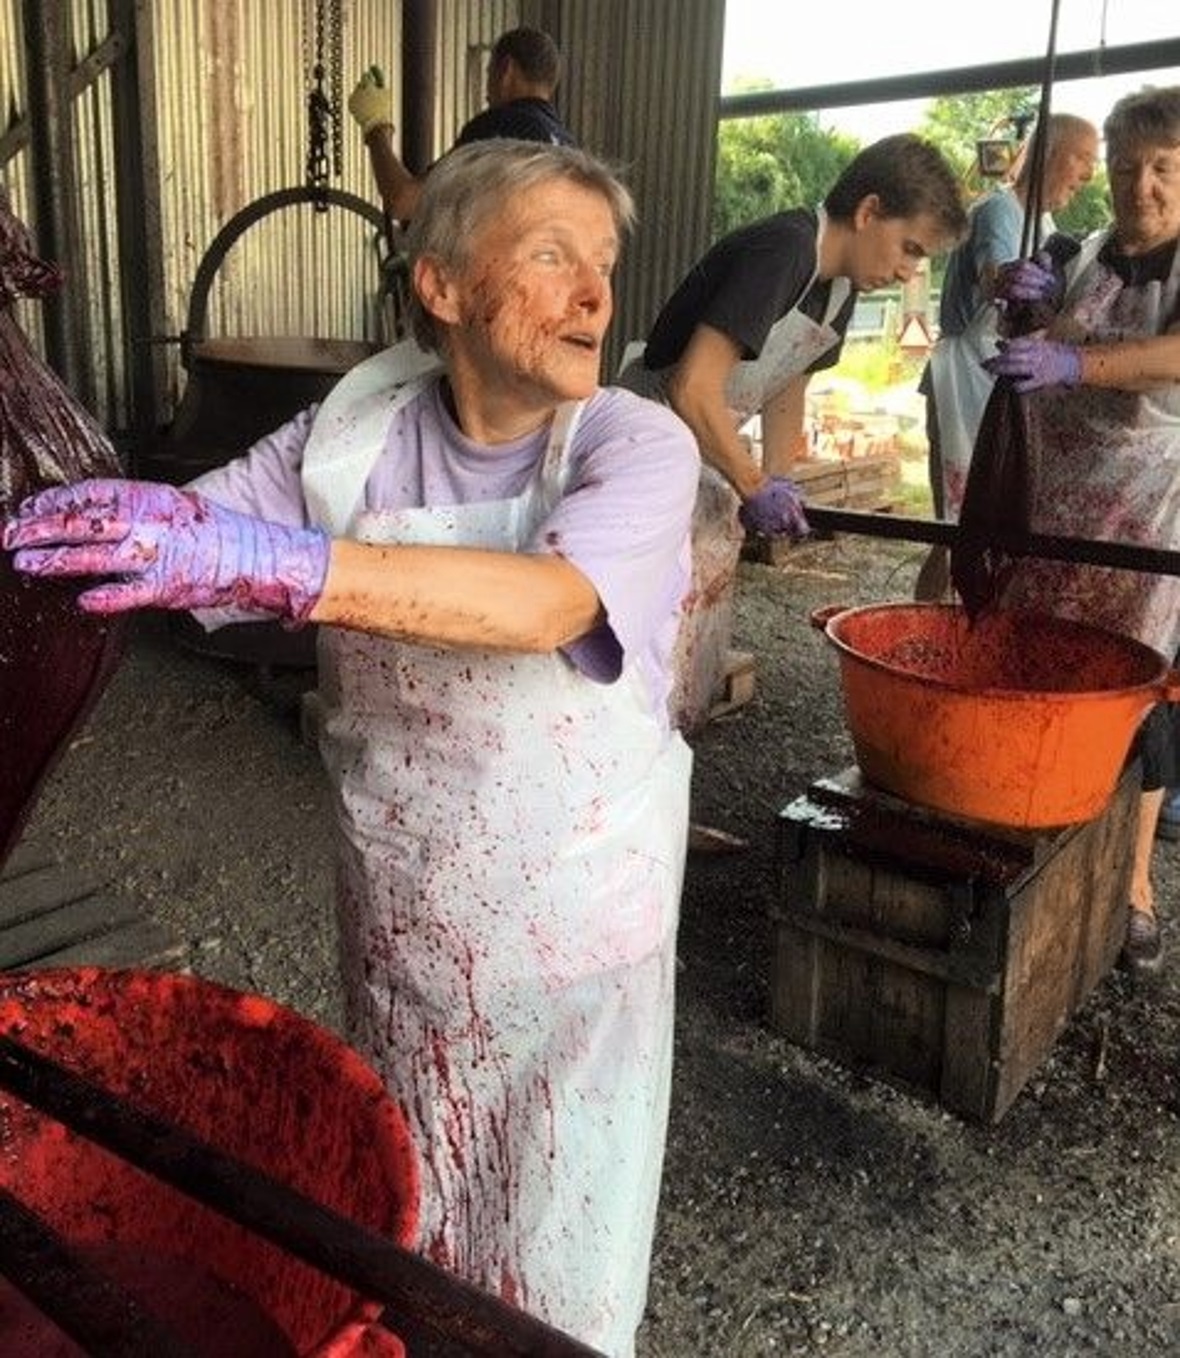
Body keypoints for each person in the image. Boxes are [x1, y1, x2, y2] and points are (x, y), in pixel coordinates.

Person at [3, 141, 699, 1356]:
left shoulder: (633, 444)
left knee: (556, 1248)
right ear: (442, 284)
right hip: (407, 906)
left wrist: (286, 565)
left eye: (603, 262)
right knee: (412, 1214)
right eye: (552, 255)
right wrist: (115, 526)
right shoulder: (348, 431)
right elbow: (189, 534)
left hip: (575, 930)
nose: (596, 293)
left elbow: (549, 604)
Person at [617, 133, 967, 733]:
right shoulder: (784, 250)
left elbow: (788, 385)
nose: (908, 271)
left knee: (683, 647)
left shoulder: (841, 288)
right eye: (909, 248)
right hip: (642, 447)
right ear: (868, 211)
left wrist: (781, 479)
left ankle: (666, 750)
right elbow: (692, 386)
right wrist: (752, 483)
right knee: (638, 643)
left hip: (701, 453)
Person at [984, 85, 1180, 974]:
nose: (1142, 186)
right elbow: (1019, 313)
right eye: (1127, 166)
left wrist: (1077, 361)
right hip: (1053, 504)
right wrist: (1013, 292)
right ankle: (1026, 819)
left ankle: (1134, 886)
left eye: (1163, 168)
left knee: (1139, 691)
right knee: (1035, 663)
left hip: (1144, 520)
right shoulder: (1081, 250)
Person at [914, 113, 1099, 600]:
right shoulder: (1000, 209)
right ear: (1047, 153)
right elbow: (992, 274)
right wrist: (1005, 281)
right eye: (1083, 158)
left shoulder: (1047, 226)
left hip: (1004, 379)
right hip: (965, 374)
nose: (1090, 173)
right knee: (955, 528)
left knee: (994, 527)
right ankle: (927, 631)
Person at [348, 26, 576, 224]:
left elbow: (403, 201)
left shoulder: (502, 127)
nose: (487, 93)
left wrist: (375, 124)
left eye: (489, 73)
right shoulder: (568, 148)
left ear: (506, 70)